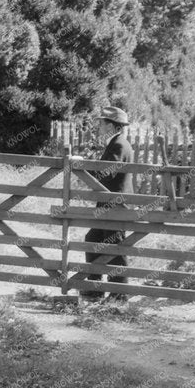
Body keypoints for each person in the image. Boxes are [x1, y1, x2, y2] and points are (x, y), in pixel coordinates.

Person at [81, 105, 134, 300]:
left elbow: (107, 172)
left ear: (112, 126)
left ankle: (119, 295)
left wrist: (84, 169)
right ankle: (95, 287)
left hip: (115, 205)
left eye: (102, 123)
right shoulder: (117, 142)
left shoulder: (119, 144)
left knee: (116, 249)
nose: (99, 126)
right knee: (93, 240)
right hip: (109, 204)